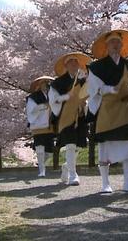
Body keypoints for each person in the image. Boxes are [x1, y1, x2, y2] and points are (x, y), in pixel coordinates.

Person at [87, 29, 128, 193]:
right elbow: (94, 88)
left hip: (125, 108)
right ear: (106, 45)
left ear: (121, 45)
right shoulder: (96, 67)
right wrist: (111, 89)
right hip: (107, 109)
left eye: (118, 42)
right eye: (112, 42)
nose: (115, 45)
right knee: (105, 146)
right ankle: (105, 183)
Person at [49, 52, 91, 186]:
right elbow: (53, 100)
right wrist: (66, 97)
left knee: (78, 146)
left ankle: (67, 166)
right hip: (65, 116)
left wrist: (84, 102)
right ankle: (73, 174)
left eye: (75, 61)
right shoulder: (57, 83)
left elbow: (87, 95)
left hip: (80, 114)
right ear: (66, 65)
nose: (74, 63)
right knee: (71, 145)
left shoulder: (83, 81)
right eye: (71, 62)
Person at [26, 76, 56, 178]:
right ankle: (42, 171)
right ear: (39, 85)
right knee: (39, 148)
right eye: (43, 83)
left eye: (47, 83)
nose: (45, 85)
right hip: (37, 125)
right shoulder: (32, 97)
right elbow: (30, 110)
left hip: (49, 125)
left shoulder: (51, 95)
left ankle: (41, 163)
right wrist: (43, 106)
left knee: (49, 151)